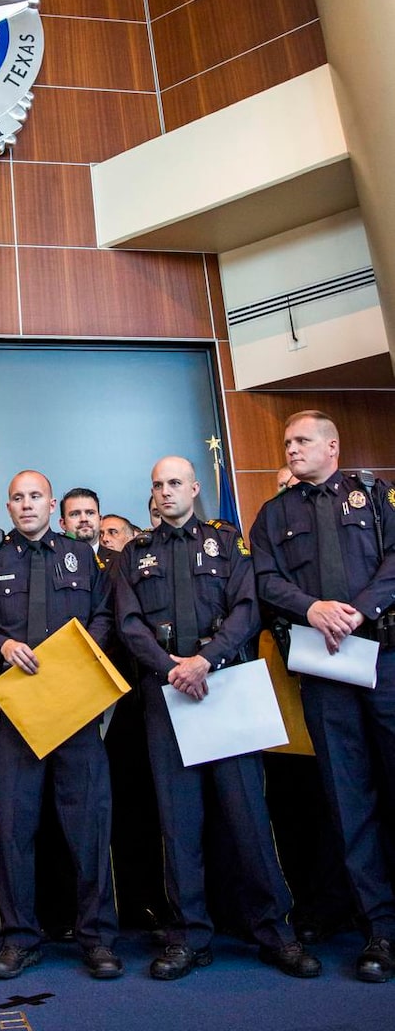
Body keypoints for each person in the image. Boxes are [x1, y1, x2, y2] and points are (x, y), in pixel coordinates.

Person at [114, 455, 321, 981]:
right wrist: (172, 668)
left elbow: (248, 608)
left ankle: (276, 931)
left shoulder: (227, 543)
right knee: (179, 825)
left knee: (249, 817)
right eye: (157, 484)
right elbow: (129, 623)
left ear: (195, 488)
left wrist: (207, 660)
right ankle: (188, 937)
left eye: (175, 483)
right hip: (167, 697)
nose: (166, 492)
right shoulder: (134, 554)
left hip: (226, 687)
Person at [250, 410, 395, 982]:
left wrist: (362, 606)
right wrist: (309, 607)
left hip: (385, 659)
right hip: (324, 669)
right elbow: (263, 579)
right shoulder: (273, 513)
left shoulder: (373, 495)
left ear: (333, 446)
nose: (291, 449)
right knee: (347, 799)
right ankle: (378, 928)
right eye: (286, 442)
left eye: (302, 440)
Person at [0, 470, 122, 982]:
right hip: (14, 709)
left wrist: (81, 657)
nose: (26, 505)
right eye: (17, 498)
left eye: (35, 496)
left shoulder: (81, 555)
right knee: (14, 826)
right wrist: (1, 644)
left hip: (74, 705)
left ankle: (97, 938)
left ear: (52, 505)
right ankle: (19, 939)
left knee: (88, 824)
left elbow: (104, 616)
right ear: (8, 507)